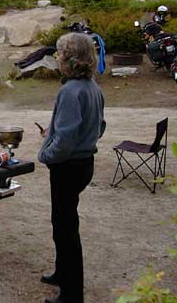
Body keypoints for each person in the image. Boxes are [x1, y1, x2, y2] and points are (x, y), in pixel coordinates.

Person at [37, 33, 106, 303]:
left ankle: (71, 294)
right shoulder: (93, 87)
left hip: (67, 167)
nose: (57, 58)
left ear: (70, 58)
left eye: (59, 53)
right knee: (63, 223)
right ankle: (61, 273)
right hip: (83, 164)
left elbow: (65, 142)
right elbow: (98, 127)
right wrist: (53, 133)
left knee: (65, 229)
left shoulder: (69, 91)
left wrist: (46, 154)